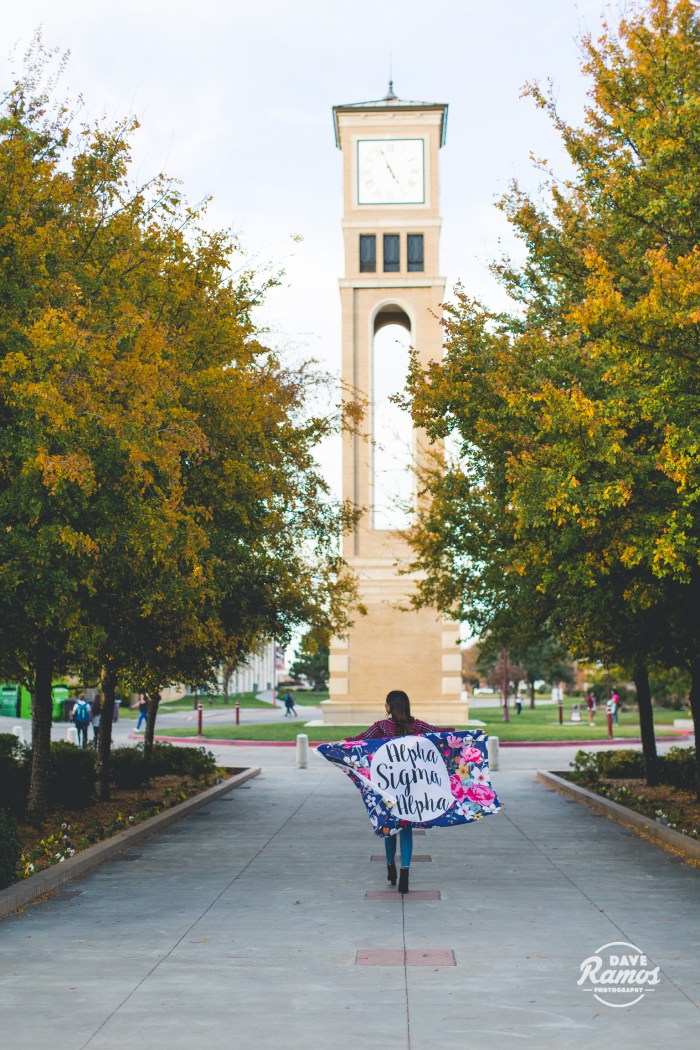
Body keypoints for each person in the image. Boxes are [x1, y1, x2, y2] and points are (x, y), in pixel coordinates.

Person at [347, 690, 442, 896]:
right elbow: (441, 735)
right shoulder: (417, 726)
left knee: (390, 827)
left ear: (390, 706)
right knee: (406, 828)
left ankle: (391, 867)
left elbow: (358, 742)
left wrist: (337, 746)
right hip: (411, 787)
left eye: (386, 704)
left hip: (388, 787)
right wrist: (470, 735)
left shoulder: (382, 726)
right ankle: (405, 874)